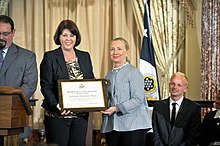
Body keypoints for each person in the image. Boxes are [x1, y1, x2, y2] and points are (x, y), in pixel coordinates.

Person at [40, 19, 94, 146]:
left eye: (71, 35)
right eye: (64, 35)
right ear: (59, 37)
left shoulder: (85, 56)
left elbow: (91, 83)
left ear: (76, 37)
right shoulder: (50, 57)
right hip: (58, 116)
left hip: (80, 117)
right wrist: (58, 105)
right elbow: (46, 86)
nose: (68, 38)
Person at [101, 37, 152, 146]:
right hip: (113, 126)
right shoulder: (108, 75)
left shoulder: (134, 72)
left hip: (133, 126)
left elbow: (138, 99)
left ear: (126, 52)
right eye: (112, 49)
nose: (115, 52)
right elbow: (107, 99)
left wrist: (117, 108)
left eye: (119, 49)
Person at [0, 15, 38, 145]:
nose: (1, 37)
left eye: (5, 34)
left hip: (13, 118)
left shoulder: (27, 56)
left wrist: (10, 104)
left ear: (13, 32)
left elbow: (30, 85)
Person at [152, 72, 201, 146]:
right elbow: (155, 134)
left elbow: (193, 137)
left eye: (179, 85)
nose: (175, 87)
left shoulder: (193, 108)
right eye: (172, 84)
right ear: (169, 85)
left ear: (185, 89)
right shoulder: (158, 106)